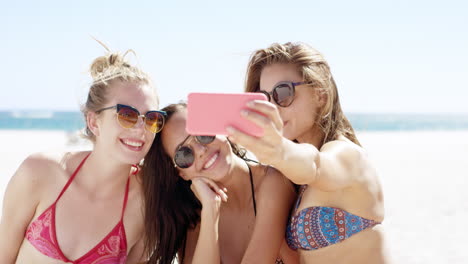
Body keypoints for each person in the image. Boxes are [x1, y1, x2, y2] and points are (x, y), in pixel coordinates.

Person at [225, 42, 390, 263]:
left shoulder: (348, 155)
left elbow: (315, 165)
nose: (273, 107)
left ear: (320, 95)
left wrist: (277, 151)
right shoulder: (286, 176)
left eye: (283, 93)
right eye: (264, 98)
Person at [0, 47, 166, 263]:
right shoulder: (40, 173)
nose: (140, 128)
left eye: (151, 118)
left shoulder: (147, 201)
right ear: (94, 122)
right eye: (127, 115)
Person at [141, 102, 298, 264]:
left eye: (203, 134)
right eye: (184, 154)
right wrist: (210, 211)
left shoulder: (273, 181)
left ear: (219, 128)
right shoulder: (195, 222)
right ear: (181, 173)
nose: (201, 151)